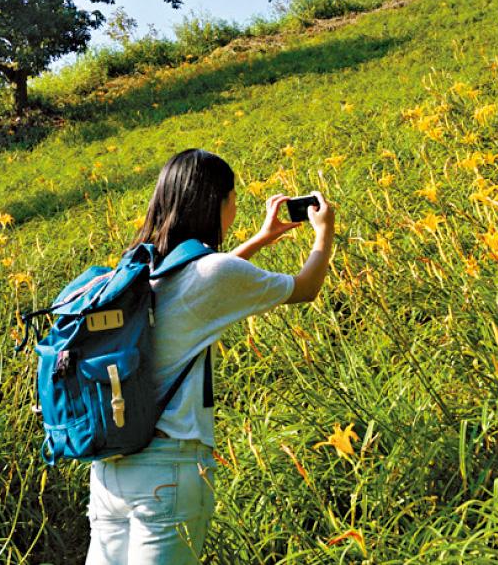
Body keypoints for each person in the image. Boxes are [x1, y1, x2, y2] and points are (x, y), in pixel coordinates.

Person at [85, 148, 335, 564]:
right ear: (216, 201)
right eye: (232, 197)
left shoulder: (137, 272)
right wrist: (323, 233)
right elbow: (306, 288)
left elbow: (200, 288)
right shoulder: (212, 275)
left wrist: (259, 240)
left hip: (110, 473)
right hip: (169, 471)